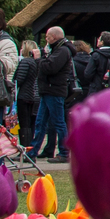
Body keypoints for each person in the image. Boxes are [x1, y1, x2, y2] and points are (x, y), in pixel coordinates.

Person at [35, 26, 74, 160]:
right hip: (48, 90)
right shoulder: (57, 50)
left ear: (55, 37)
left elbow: (50, 68)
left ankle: (64, 152)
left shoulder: (62, 51)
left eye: (48, 36)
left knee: (58, 122)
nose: (46, 39)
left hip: (54, 90)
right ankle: (33, 151)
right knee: (41, 122)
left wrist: (40, 58)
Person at [13, 39, 41, 149]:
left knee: (24, 123)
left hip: (25, 95)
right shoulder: (38, 62)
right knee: (32, 123)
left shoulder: (25, 62)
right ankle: (31, 147)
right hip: (36, 95)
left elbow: (19, 79)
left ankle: (25, 147)